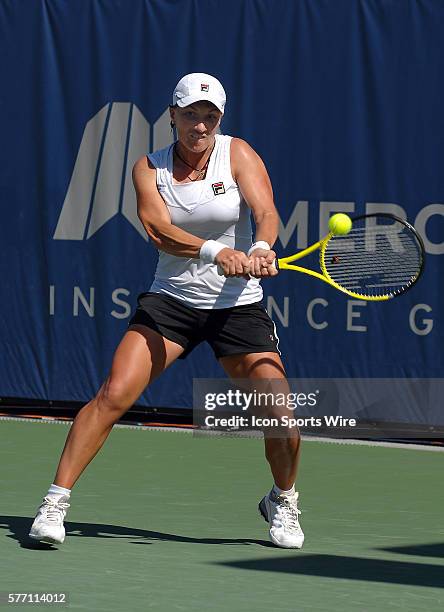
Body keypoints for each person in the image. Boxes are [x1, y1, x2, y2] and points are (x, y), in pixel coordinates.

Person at [29, 73, 304, 549]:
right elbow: (158, 230)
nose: (201, 126)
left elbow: (267, 210)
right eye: (192, 115)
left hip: (237, 307)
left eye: (210, 117)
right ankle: (55, 502)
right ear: (173, 115)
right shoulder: (148, 168)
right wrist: (216, 254)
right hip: (172, 303)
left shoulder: (237, 153)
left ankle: (283, 499)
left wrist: (261, 245)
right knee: (113, 394)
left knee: (280, 415)